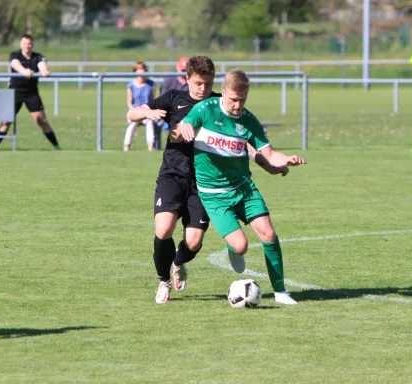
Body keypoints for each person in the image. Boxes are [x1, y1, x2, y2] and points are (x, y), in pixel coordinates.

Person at [128, 57, 287, 304]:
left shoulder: (218, 104)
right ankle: (163, 282)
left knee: (193, 242)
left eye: (208, 83)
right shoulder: (173, 98)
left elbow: (243, 142)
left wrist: (270, 164)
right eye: (198, 83)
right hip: (173, 175)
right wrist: (147, 112)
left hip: (205, 184)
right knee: (164, 229)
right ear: (188, 79)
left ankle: (179, 263)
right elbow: (132, 113)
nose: (202, 89)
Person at [172, 69, 306, 305]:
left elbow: (270, 154)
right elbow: (178, 131)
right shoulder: (205, 109)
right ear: (223, 93)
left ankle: (281, 292)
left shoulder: (249, 120)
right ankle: (234, 248)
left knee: (269, 234)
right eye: (233, 99)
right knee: (241, 246)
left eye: (242, 100)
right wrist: (182, 130)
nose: (237, 105)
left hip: (244, 189)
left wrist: (285, 160)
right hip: (214, 195)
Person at [0, 34, 60, 151]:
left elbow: (42, 65)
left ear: (32, 45)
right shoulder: (15, 55)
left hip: (31, 93)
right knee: (6, 120)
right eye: (24, 43)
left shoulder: (38, 56)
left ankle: (57, 146)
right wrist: (24, 71)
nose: (27, 46)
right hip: (14, 92)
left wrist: (44, 71)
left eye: (29, 44)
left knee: (41, 120)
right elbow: (15, 64)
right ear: (20, 44)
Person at [123, 62, 157, 152]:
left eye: (143, 69)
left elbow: (153, 101)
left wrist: (149, 111)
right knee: (132, 124)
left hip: (147, 111)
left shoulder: (151, 84)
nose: (141, 71)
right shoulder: (131, 85)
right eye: (139, 69)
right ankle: (126, 146)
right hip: (135, 110)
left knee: (150, 123)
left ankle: (150, 147)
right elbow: (129, 103)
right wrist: (135, 111)